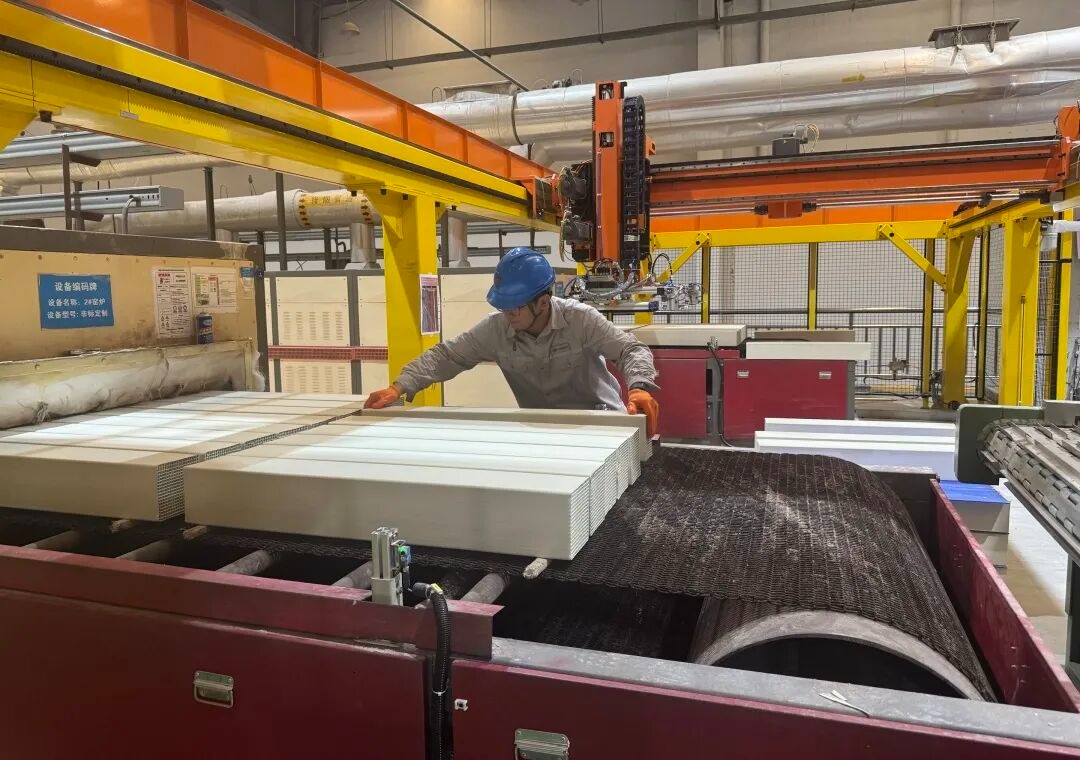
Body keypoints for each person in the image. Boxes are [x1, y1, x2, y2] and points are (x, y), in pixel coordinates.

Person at [364, 247, 660, 436]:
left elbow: (630, 349)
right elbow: (448, 356)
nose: (507, 315)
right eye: (503, 307)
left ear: (542, 302)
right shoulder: (497, 328)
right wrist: (398, 386)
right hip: (543, 433)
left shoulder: (580, 320)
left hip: (602, 427)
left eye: (515, 308)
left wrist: (639, 388)